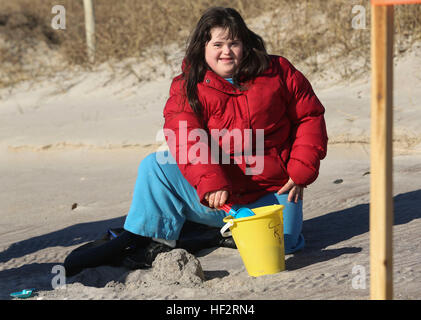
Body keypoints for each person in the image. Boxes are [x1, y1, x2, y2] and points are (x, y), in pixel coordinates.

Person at [64, 7, 328, 274]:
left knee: (287, 246)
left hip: (271, 190)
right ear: (203, 46)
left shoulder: (278, 72)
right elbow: (184, 135)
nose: (226, 51)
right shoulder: (187, 85)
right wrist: (211, 182)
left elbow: (310, 116)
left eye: (234, 43)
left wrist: (301, 171)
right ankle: (150, 238)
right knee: (155, 166)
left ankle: (213, 233)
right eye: (218, 44)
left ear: (245, 44)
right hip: (218, 198)